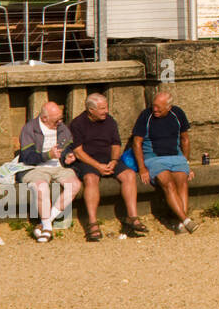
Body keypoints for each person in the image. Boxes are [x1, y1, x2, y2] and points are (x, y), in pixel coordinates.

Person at [69, 93, 143, 241]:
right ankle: (92, 223)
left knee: (129, 174)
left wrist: (114, 160)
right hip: (88, 161)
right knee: (91, 179)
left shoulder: (110, 121)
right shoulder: (77, 124)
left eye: (106, 107)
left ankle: (132, 217)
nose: (106, 111)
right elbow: (78, 151)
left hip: (109, 159)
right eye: (102, 109)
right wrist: (98, 166)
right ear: (91, 110)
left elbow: (116, 144)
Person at [131, 92, 198, 233]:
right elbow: (137, 143)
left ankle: (181, 223)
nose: (155, 110)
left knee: (182, 182)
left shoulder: (178, 113)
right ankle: (186, 220)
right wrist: (142, 168)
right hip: (154, 158)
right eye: (154, 106)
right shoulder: (146, 116)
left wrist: (186, 162)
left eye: (159, 108)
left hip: (176, 156)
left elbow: (185, 139)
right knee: (168, 184)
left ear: (169, 107)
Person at [17, 102, 80, 243]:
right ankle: (47, 228)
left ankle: (45, 223)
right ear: (44, 118)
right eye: (56, 119)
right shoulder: (30, 129)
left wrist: (68, 156)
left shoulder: (61, 127)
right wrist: (48, 155)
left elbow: (69, 146)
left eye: (60, 118)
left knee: (74, 185)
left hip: (58, 166)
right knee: (41, 187)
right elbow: (27, 157)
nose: (60, 122)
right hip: (35, 167)